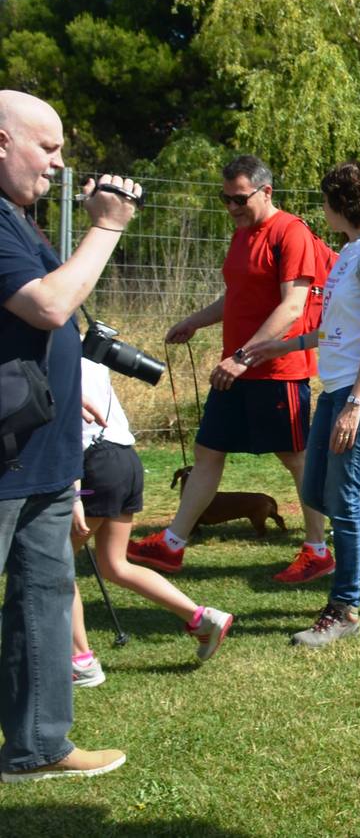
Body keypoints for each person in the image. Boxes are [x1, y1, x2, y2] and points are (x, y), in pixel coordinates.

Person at [0, 90, 131, 781]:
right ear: (0, 142)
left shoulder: (22, 221)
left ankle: (37, 746)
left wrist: (67, 383)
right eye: (46, 147)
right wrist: (106, 228)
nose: (58, 161)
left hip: (43, 451)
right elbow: (49, 304)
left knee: (44, 601)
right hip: (3, 456)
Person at [245, 161, 360, 646]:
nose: (321, 209)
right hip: (339, 387)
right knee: (317, 495)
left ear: (341, 203)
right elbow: (338, 329)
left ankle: (344, 608)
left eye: (326, 200)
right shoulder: (351, 251)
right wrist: (282, 346)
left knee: (342, 503)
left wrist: (357, 403)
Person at [129, 154, 331, 582]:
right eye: (226, 200)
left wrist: (242, 357)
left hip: (277, 370)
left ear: (266, 191)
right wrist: (194, 321)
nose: (233, 208)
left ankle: (318, 549)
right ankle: (172, 545)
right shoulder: (242, 234)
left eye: (240, 199)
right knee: (207, 453)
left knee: (297, 459)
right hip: (237, 368)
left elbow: (292, 307)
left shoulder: (289, 233)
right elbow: (236, 296)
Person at [70, 359, 234, 684]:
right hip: (124, 459)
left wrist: (74, 493)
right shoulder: (84, 355)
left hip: (91, 463)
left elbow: (65, 432)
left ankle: (80, 661)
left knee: (55, 567)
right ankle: (201, 618)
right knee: (115, 565)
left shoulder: (39, 357)